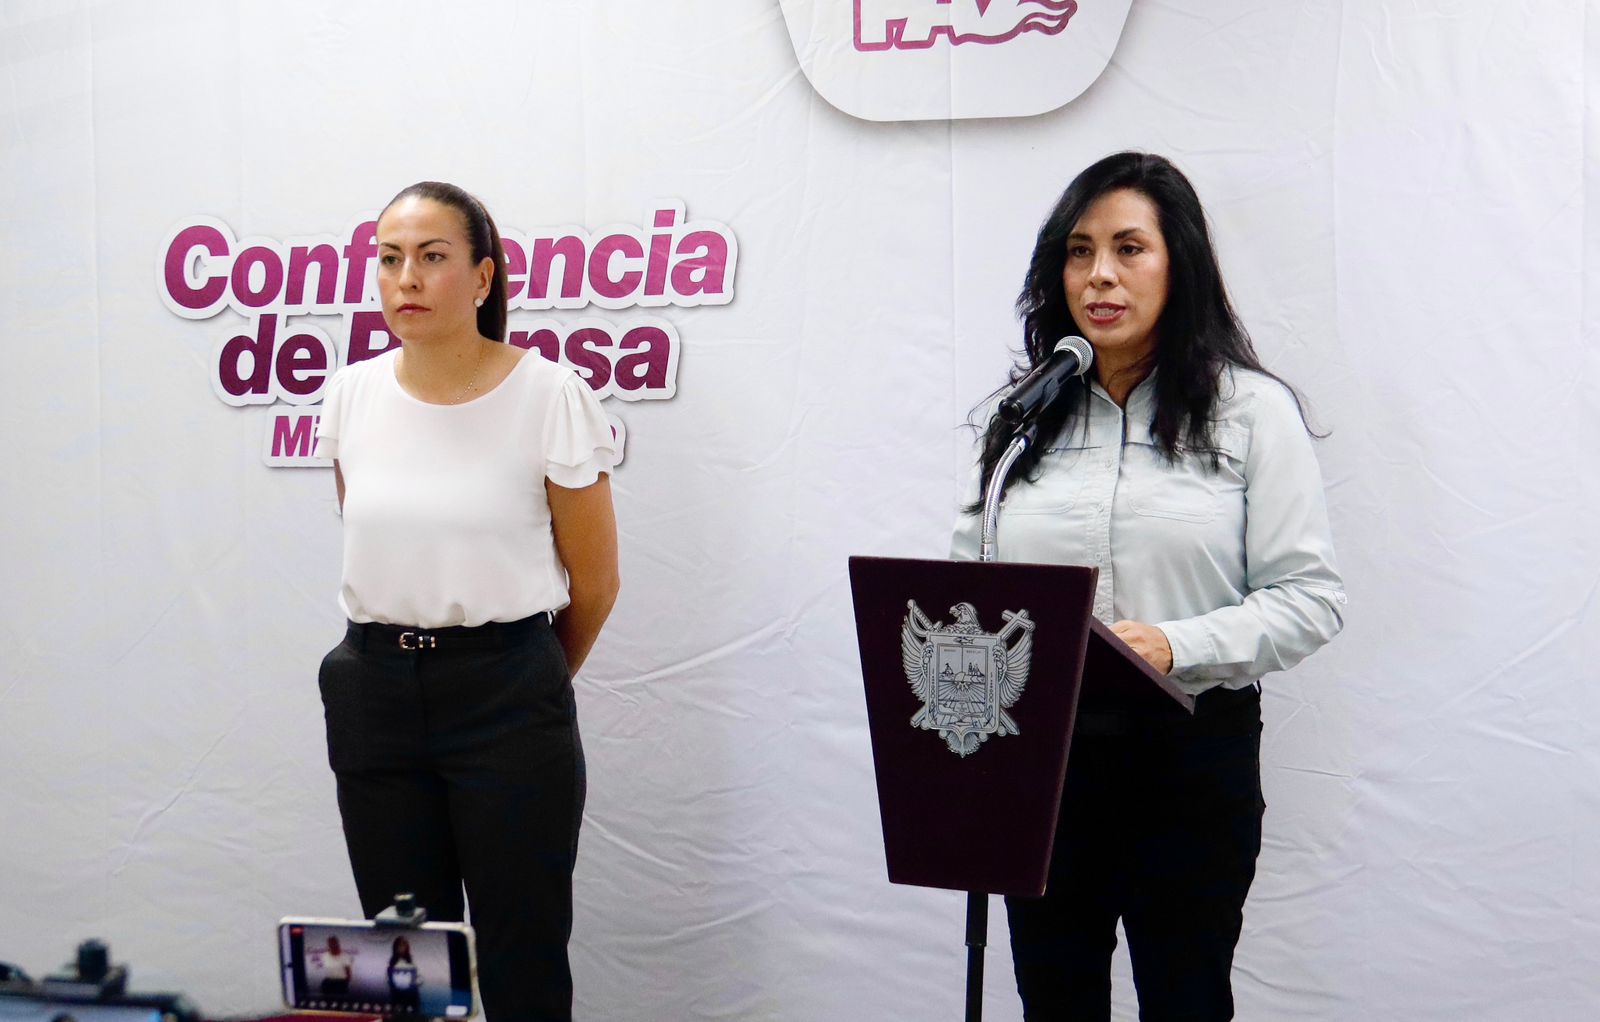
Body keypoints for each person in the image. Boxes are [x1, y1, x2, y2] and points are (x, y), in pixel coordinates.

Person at [952, 152, 1346, 1020]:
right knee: (1054, 1002)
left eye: (1129, 248)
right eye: (1079, 251)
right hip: (1043, 762)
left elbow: (1309, 598)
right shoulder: (1022, 421)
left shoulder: (1251, 412)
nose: (1100, 275)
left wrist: (1174, 644)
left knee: (1185, 1001)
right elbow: (966, 597)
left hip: (1188, 761)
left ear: (1180, 265)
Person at [315, 181, 620, 1021]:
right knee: (401, 963)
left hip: (506, 695)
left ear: (483, 277)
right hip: (374, 691)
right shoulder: (351, 394)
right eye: (389, 259)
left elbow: (596, 583)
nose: (406, 278)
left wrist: (525, 678)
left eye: (432, 257)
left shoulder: (548, 395)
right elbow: (377, 535)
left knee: (523, 957)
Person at [386, 936, 422, 1012]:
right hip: (397, 997)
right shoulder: (391, 964)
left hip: (411, 997)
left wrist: (416, 982)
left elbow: (418, 979)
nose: (401, 948)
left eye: (403, 945)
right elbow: (389, 981)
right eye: (399, 946)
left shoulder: (412, 962)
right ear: (395, 948)